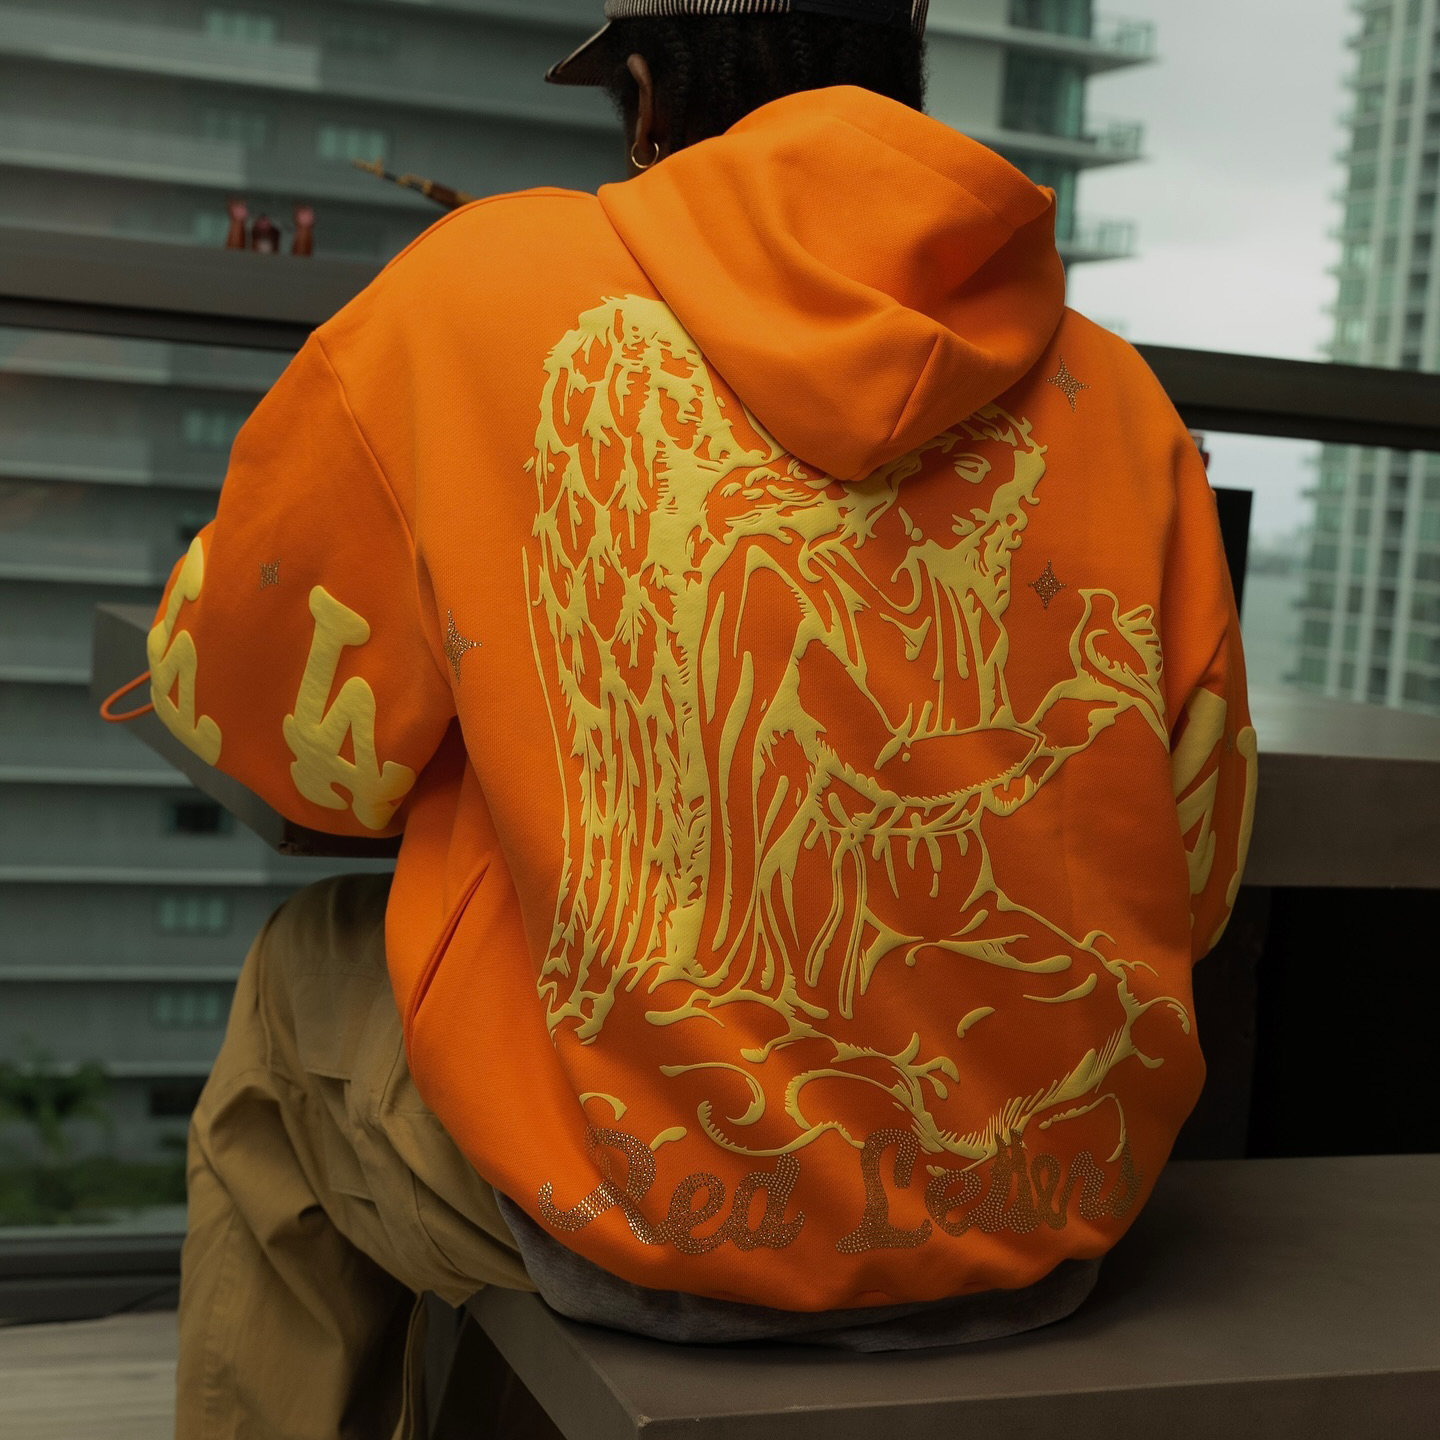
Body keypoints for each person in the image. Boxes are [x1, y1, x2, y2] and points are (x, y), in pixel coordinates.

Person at [141, 1, 1257, 1435]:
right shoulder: (1121, 398)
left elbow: (279, 733)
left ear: (647, 95)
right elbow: (1197, 881)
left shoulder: (477, 288)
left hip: (642, 1213)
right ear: (903, 75)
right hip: (1046, 1211)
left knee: (299, 994)